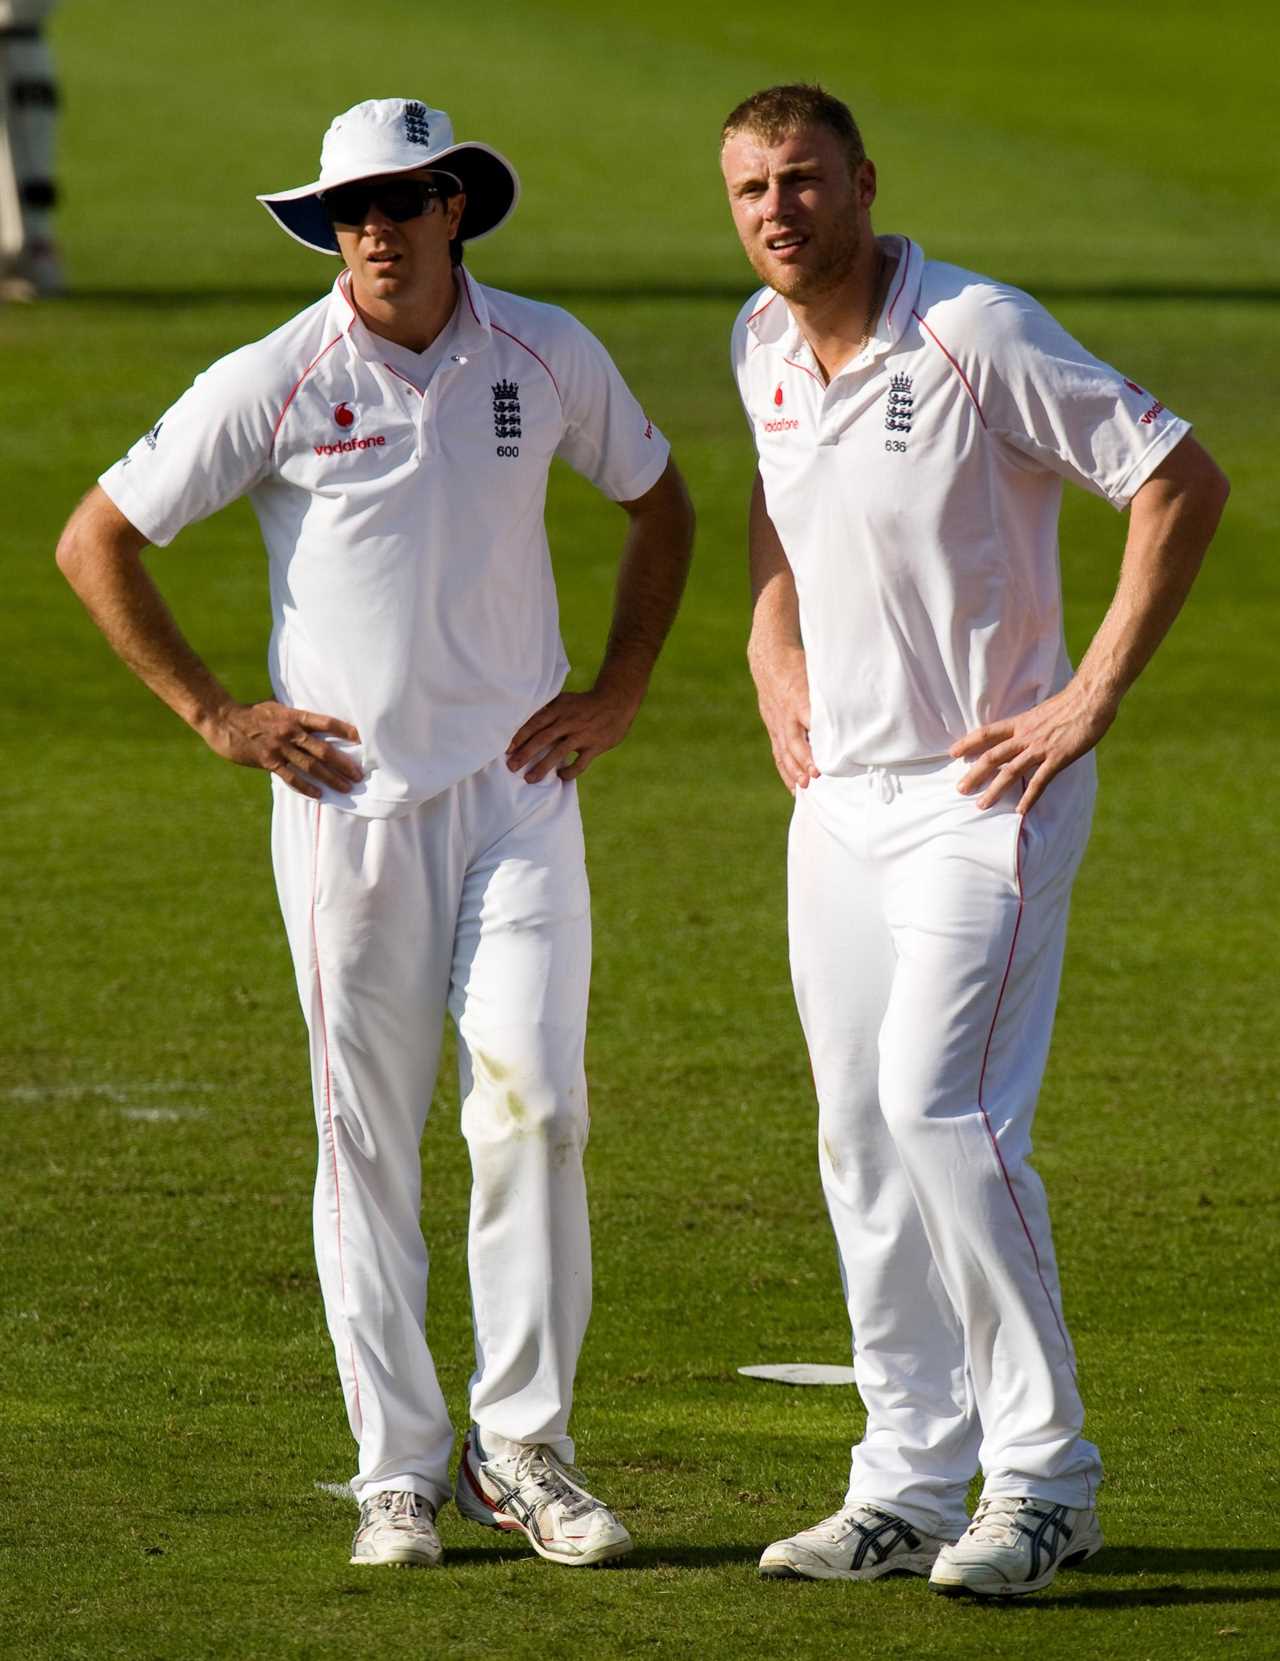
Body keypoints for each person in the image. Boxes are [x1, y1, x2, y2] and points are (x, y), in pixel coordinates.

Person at [56, 96, 694, 1571]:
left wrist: (620, 687)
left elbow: (658, 504)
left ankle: (522, 1450)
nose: (377, 232)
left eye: (404, 202)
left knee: (537, 1103)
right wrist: (220, 715)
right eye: (350, 211)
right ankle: (397, 1470)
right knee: (366, 1146)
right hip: (350, 814)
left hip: (523, 796)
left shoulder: (546, 351)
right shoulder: (278, 374)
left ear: (455, 206)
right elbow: (99, 538)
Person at [719, 83, 1227, 1598]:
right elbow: (780, 506)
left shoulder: (975, 330)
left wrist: (1089, 695)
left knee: (944, 1112)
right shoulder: (757, 344)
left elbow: (1176, 478)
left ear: (864, 183)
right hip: (841, 805)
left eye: (803, 182)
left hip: (982, 794)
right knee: (860, 1138)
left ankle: (1046, 1478)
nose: (778, 213)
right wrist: (770, 656)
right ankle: (910, 1480)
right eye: (750, 191)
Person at [0, 0, 64, 299]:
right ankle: (31, 250)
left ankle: (30, 249)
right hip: (26, 44)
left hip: (22, 43)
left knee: (31, 159)